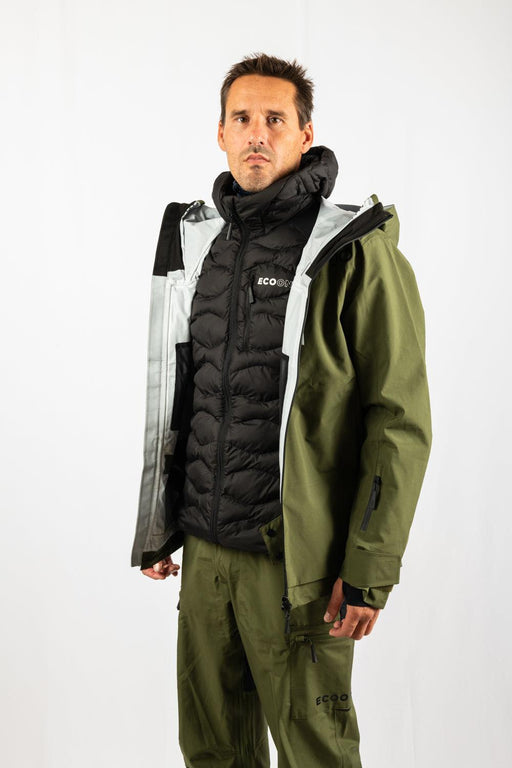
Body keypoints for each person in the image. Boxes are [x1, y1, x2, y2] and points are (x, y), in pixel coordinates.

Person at [131, 53, 432, 768]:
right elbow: (182, 390)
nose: (257, 133)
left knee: (314, 754)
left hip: (294, 563)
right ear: (221, 133)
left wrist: (368, 568)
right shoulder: (204, 243)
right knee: (213, 752)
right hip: (206, 554)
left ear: (305, 135)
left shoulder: (352, 250)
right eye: (242, 118)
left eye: (275, 118)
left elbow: (398, 421)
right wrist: (160, 522)